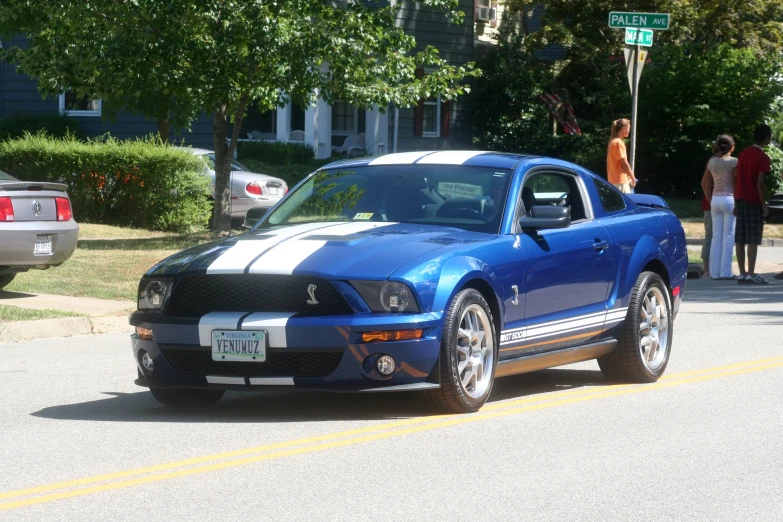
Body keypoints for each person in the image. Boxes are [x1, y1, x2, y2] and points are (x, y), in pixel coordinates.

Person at [734, 124, 772, 284]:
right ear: (766, 138)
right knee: (753, 239)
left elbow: (736, 177)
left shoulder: (743, 154)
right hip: (753, 200)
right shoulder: (763, 157)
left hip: (741, 199)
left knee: (740, 238)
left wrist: (736, 200)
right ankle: (751, 273)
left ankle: (742, 273)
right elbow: (760, 183)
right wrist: (763, 204)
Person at [702, 135, 738, 279]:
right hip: (729, 198)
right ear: (732, 147)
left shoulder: (712, 162)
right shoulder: (734, 162)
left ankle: (714, 272)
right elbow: (735, 183)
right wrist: (737, 201)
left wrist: (711, 200)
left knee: (716, 237)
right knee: (728, 236)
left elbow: (705, 184)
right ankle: (726, 272)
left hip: (715, 199)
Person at [607, 118, 637, 193]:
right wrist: (633, 177)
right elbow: (624, 162)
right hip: (620, 182)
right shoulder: (618, 143)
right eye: (628, 128)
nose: (629, 131)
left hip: (614, 180)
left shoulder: (613, 141)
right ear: (624, 129)